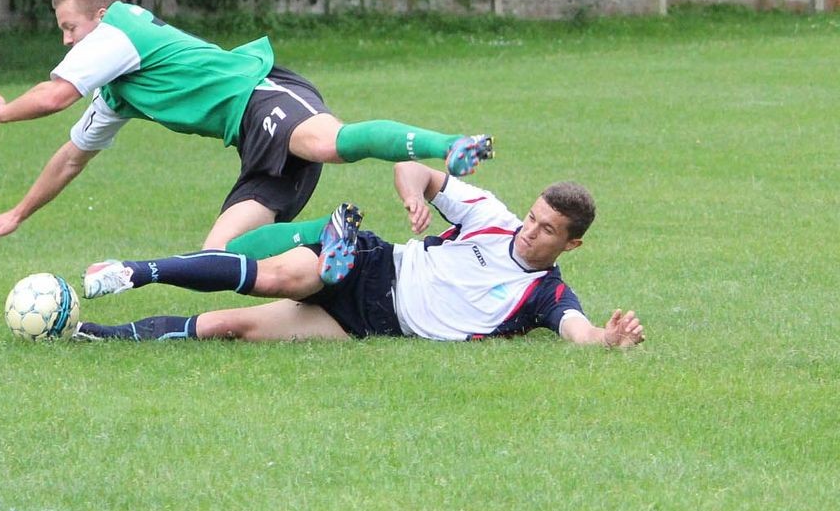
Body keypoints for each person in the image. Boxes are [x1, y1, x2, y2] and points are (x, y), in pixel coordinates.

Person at [0, 0, 494, 249]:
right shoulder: (117, 86)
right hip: (251, 142)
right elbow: (71, 159)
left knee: (330, 144)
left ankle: (448, 146)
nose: (65, 41)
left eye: (69, 28)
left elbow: (56, 95)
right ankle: (327, 238)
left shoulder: (118, 30)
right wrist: (17, 213)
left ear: (99, 16)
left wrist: (2, 111)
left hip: (262, 95)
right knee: (218, 253)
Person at [71, 162, 646, 348]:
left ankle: (94, 335)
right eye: (533, 217)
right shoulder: (492, 218)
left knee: (230, 327)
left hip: (372, 322)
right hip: (381, 265)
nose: (529, 231)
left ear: (571, 244)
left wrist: (607, 338)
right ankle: (134, 272)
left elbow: (578, 331)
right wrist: (413, 198)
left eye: (546, 231)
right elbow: (413, 169)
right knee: (278, 278)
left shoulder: (545, 293)